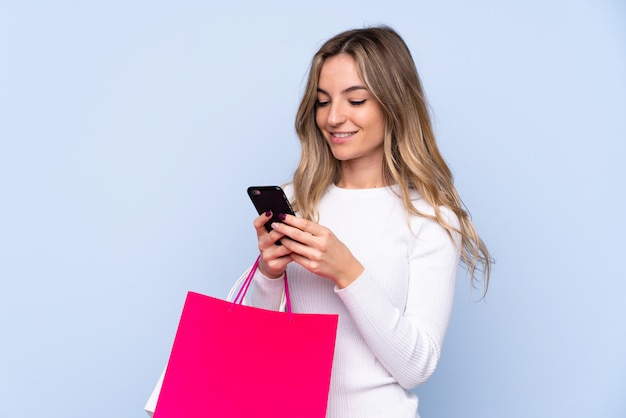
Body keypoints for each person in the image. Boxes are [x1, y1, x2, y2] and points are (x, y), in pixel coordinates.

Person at [247, 26, 492, 418]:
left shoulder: (430, 218)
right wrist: (268, 275)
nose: (333, 117)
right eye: (322, 101)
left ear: (394, 104)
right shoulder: (297, 200)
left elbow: (417, 367)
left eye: (356, 100)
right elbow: (254, 349)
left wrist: (348, 272)